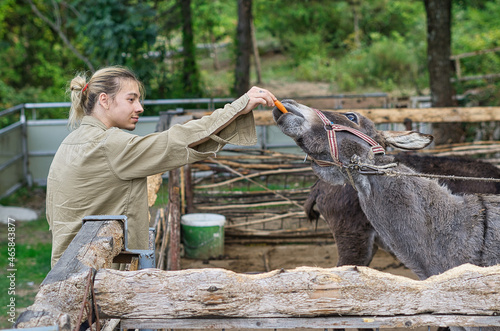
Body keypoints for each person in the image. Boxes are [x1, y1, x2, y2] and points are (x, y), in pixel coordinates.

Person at [46, 65, 278, 267]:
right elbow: (174, 141)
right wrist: (237, 107)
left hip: (67, 269)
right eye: (131, 99)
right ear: (104, 100)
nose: (140, 107)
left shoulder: (68, 143)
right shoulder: (108, 144)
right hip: (91, 277)